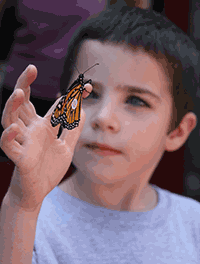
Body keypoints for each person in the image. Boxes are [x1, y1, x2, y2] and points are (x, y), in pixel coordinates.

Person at [0, 6, 200, 264]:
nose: (104, 118)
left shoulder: (193, 224)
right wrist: (22, 206)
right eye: (89, 94)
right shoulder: (25, 220)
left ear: (178, 131)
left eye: (137, 101)